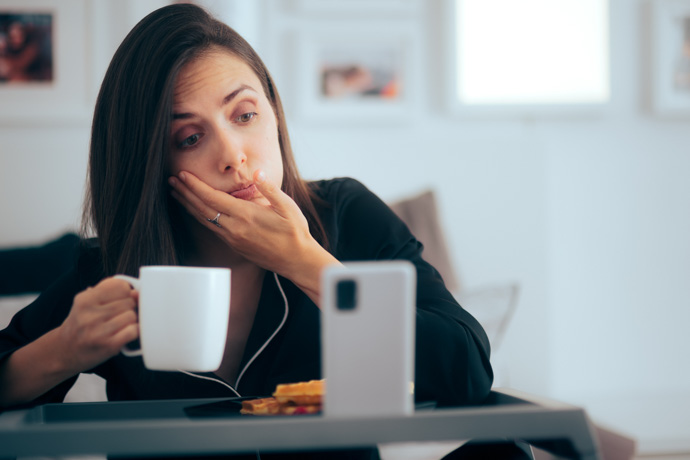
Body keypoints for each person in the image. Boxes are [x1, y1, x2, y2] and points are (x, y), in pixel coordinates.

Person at [0, 4, 496, 459]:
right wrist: (63, 349)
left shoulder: (345, 215)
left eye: (245, 115)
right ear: (152, 164)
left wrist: (306, 262)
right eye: (190, 137)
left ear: (275, 117)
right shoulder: (113, 267)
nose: (233, 154)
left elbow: (467, 371)